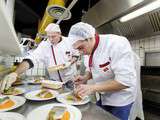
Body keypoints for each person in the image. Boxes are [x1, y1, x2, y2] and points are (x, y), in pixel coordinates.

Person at [68, 22, 137, 120]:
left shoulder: (116, 44)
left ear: (90, 38)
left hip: (121, 99)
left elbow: (125, 81)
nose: (80, 52)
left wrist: (91, 88)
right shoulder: (88, 49)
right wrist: (85, 78)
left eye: (81, 48)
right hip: (103, 95)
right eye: (77, 49)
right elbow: (91, 68)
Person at [0, 23, 78, 92]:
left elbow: (76, 54)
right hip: (54, 82)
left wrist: (71, 61)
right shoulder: (44, 45)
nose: (50, 39)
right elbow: (32, 58)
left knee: (70, 99)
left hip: (70, 79)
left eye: (53, 36)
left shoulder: (69, 42)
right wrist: (15, 73)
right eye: (48, 36)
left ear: (59, 34)